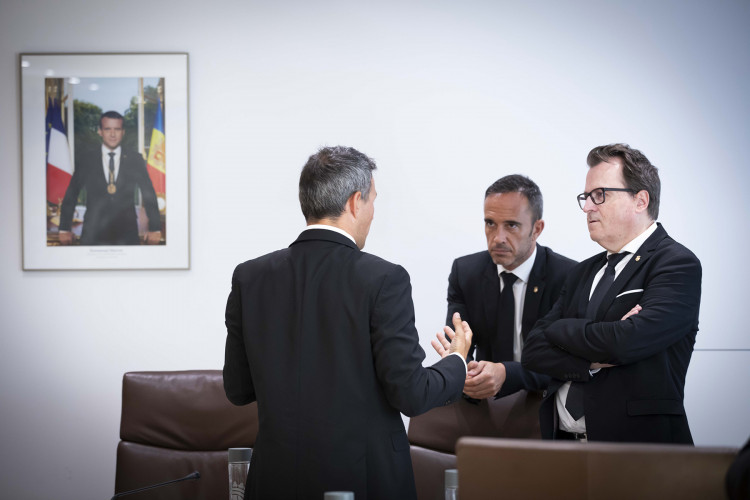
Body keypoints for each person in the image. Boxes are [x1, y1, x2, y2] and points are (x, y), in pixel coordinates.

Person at [223, 146, 472, 499]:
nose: (372, 213)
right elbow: (412, 394)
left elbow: (238, 389)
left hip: (274, 482)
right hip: (363, 483)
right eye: (373, 201)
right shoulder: (384, 279)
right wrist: (456, 360)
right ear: (356, 202)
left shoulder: (249, 277)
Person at [522, 143, 702, 443]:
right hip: (562, 445)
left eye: (600, 195)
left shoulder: (676, 263)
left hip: (637, 451)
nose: (588, 207)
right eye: (586, 197)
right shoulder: (582, 271)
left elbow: (625, 343)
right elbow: (533, 350)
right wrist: (591, 360)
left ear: (640, 200)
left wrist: (560, 330)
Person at [446, 175, 575, 400]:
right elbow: (459, 347)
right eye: (490, 223)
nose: (498, 238)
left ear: (537, 229)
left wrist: (508, 374)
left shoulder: (568, 276)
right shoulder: (465, 272)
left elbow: (567, 362)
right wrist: (466, 373)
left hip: (548, 400)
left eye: (511, 225)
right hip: (486, 402)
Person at [58, 111, 161, 245]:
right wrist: (64, 228)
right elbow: (72, 194)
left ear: (123, 132)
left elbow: (149, 194)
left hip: (127, 234)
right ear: (100, 131)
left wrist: (155, 228)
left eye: (117, 129)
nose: (113, 134)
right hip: (93, 233)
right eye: (107, 129)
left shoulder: (135, 159)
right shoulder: (86, 159)